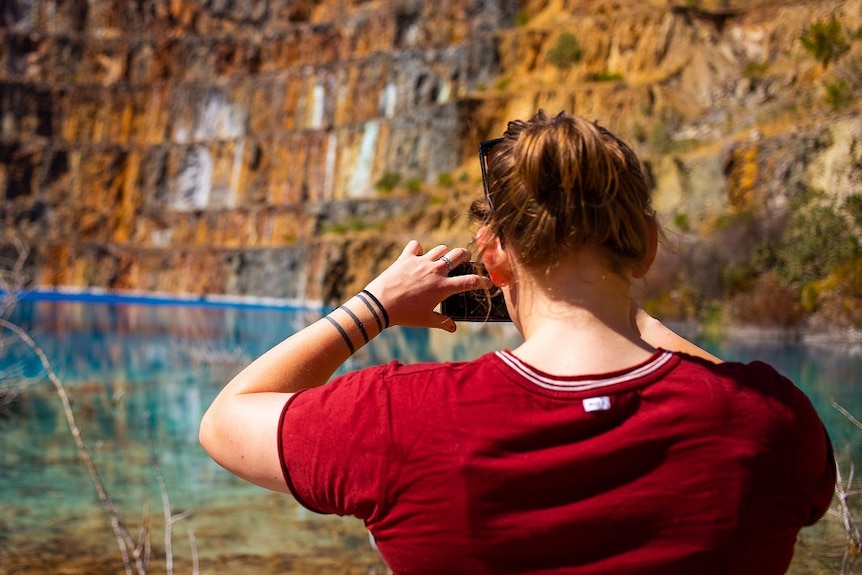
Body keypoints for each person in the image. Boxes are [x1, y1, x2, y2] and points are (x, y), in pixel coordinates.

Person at [200, 110, 835, 574]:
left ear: (493, 255)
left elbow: (225, 422)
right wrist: (627, 317)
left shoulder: (399, 420)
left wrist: (377, 307)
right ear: (643, 245)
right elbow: (764, 435)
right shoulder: (771, 424)